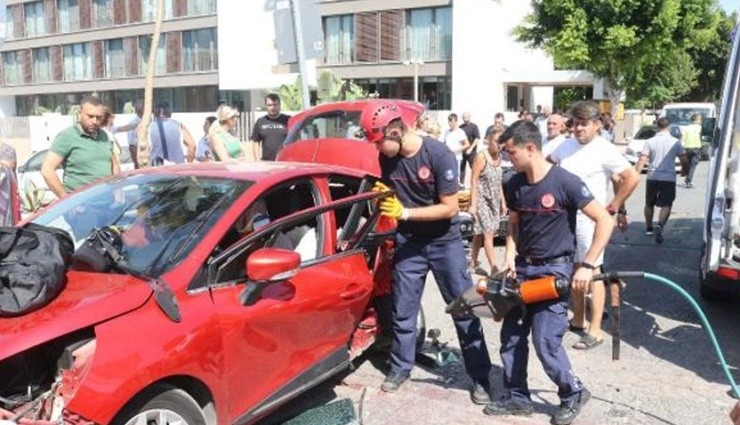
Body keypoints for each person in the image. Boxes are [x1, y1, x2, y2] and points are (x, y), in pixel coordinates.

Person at [362, 101, 493, 405]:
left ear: (395, 130)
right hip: (410, 243)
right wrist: (383, 195)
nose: (379, 148)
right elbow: (388, 191)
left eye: (381, 141)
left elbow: (449, 208)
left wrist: (404, 212)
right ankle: (400, 368)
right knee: (403, 310)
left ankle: (480, 377)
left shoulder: (438, 154)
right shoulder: (387, 158)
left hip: (444, 243)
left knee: (464, 309)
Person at [486, 120, 612, 425]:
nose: (507, 159)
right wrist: (509, 259)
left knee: (545, 341)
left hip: (554, 270)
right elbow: (514, 226)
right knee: (512, 337)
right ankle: (518, 399)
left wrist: (588, 264)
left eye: (511, 152)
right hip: (523, 270)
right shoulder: (513, 184)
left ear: (531, 148)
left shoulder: (565, 182)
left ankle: (573, 393)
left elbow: (603, 221)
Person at [548, 101, 640, 350]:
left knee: (594, 271)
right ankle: (578, 319)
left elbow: (632, 177)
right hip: (566, 219)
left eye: (584, 124)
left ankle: (596, 329)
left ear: (597, 125)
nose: (578, 128)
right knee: (576, 269)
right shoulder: (565, 145)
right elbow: (547, 164)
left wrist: (614, 206)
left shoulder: (605, 149)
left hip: (591, 222)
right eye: (575, 123)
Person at [42, 96, 121, 239]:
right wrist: (67, 200)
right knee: (90, 251)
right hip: (83, 209)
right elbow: (47, 170)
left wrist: (118, 190)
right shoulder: (67, 137)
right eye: (90, 116)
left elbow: (113, 162)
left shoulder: (104, 136)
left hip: (108, 205)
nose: (95, 121)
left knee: (111, 248)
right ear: (80, 113)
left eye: (99, 117)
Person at [635, 117, 688, 243]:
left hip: (653, 176)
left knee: (649, 203)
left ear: (657, 127)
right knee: (666, 204)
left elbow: (642, 159)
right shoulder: (676, 142)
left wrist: (636, 174)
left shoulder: (650, 141)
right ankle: (660, 225)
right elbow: (684, 160)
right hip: (669, 178)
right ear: (669, 127)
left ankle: (648, 228)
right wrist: (685, 171)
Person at [468, 128, 506, 276]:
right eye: (496, 141)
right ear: (489, 141)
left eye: (501, 142)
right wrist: (473, 204)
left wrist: (503, 201)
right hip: (482, 199)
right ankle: (494, 268)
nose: (499, 145)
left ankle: (472, 262)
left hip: (494, 200)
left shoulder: (500, 158)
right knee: (489, 233)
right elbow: (474, 180)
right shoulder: (481, 156)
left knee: (479, 233)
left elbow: (498, 182)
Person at [148, 101, 196, 165]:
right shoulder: (179, 125)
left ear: (155, 113)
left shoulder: (149, 127)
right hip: (177, 168)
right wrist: (188, 164)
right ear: (169, 113)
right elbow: (192, 146)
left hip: (157, 168)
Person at [251, 93, 290, 161]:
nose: (273, 108)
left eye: (275, 104)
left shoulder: (288, 120)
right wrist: (257, 160)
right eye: (269, 105)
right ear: (266, 106)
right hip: (267, 163)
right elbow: (256, 142)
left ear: (279, 105)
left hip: (285, 161)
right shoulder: (260, 121)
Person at [115, 99, 143, 168]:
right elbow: (132, 145)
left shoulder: (152, 121)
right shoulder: (133, 124)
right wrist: (137, 163)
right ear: (138, 110)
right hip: (141, 158)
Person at [443, 113, 470, 185]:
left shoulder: (460, 132)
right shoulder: (447, 132)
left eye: (452, 121)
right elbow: (444, 143)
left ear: (455, 121)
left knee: (456, 176)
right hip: (447, 157)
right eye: (449, 121)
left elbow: (467, 144)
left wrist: (456, 149)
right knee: (448, 175)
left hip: (456, 157)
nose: (450, 123)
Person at [681, 113, 702, 188]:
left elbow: (682, 139)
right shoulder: (700, 128)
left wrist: (682, 148)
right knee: (693, 165)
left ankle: (688, 179)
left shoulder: (686, 128)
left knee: (689, 165)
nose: (701, 121)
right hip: (696, 148)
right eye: (700, 119)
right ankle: (688, 181)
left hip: (687, 149)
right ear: (697, 120)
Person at [460, 112, 481, 187]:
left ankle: (475, 184)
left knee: (474, 168)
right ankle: (461, 185)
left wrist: (471, 148)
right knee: (461, 168)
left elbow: (477, 138)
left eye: (466, 117)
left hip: (471, 152)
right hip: (462, 151)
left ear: (470, 117)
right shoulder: (460, 127)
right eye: (464, 117)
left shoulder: (474, 127)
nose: (465, 119)